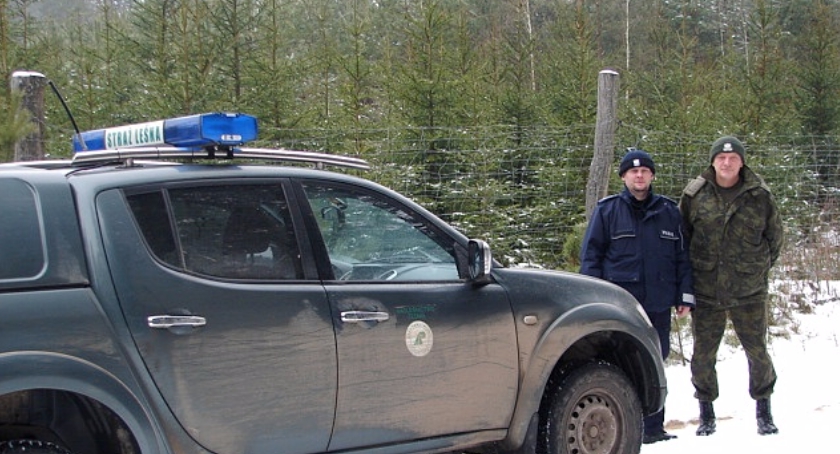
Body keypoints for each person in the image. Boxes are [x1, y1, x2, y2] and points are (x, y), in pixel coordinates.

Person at [580, 148, 694, 445]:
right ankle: (622, 426)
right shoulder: (607, 211)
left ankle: (653, 427)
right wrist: (592, 298)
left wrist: (684, 295)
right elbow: (591, 257)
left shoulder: (669, 212)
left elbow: (682, 258)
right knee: (618, 362)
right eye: (633, 171)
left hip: (657, 303)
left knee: (656, 360)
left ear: (652, 175)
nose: (639, 176)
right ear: (624, 177)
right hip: (620, 306)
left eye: (644, 171)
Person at [679, 136, 783, 437]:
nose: (727, 163)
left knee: (758, 351)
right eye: (721, 158)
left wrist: (755, 269)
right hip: (706, 288)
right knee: (703, 355)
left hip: (748, 289)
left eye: (733, 158)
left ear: (742, 162)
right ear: (713, 161)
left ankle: (764, 410)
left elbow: (775, 238)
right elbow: (683, 238)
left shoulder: (759, 195)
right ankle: (706, 412)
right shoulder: (694, 194)